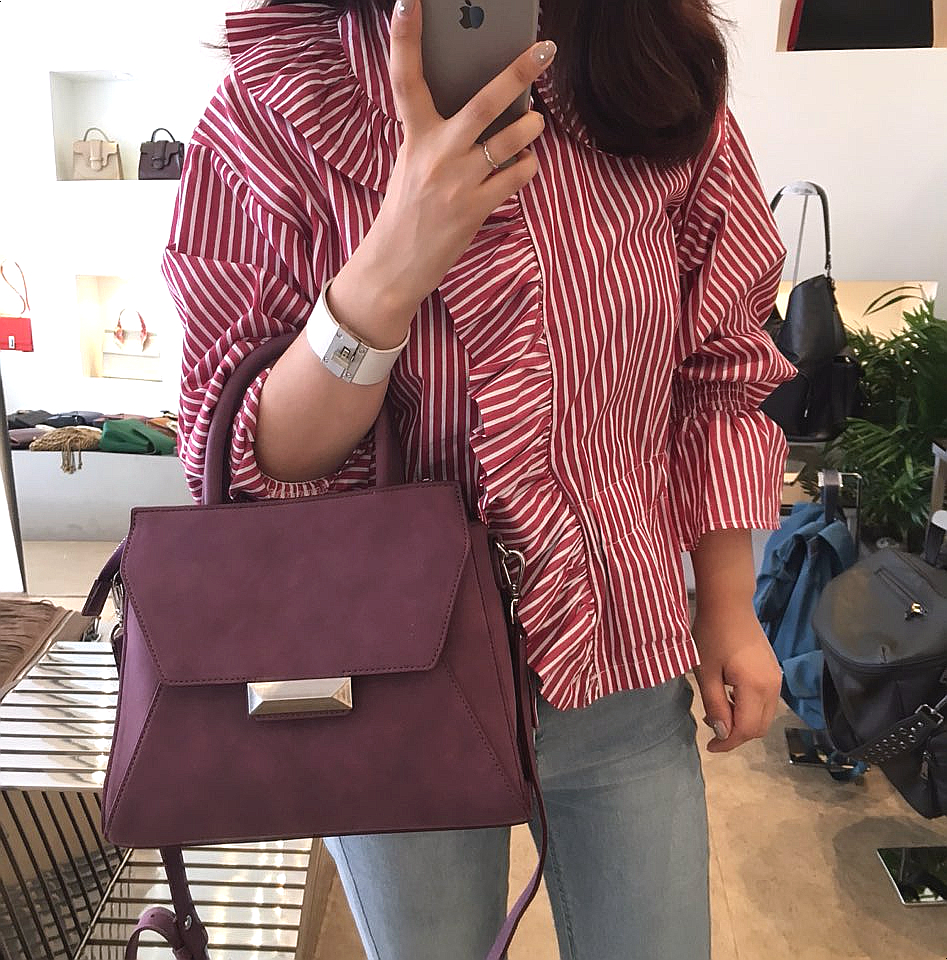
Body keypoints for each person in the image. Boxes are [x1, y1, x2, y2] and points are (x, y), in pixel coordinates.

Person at [165, 0, 798, 956]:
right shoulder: (273, 106)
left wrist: (727, 604)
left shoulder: (654, 76)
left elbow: (718, 372)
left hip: (618, 666)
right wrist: (390, 263)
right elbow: (253, 460)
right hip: (384, 684)